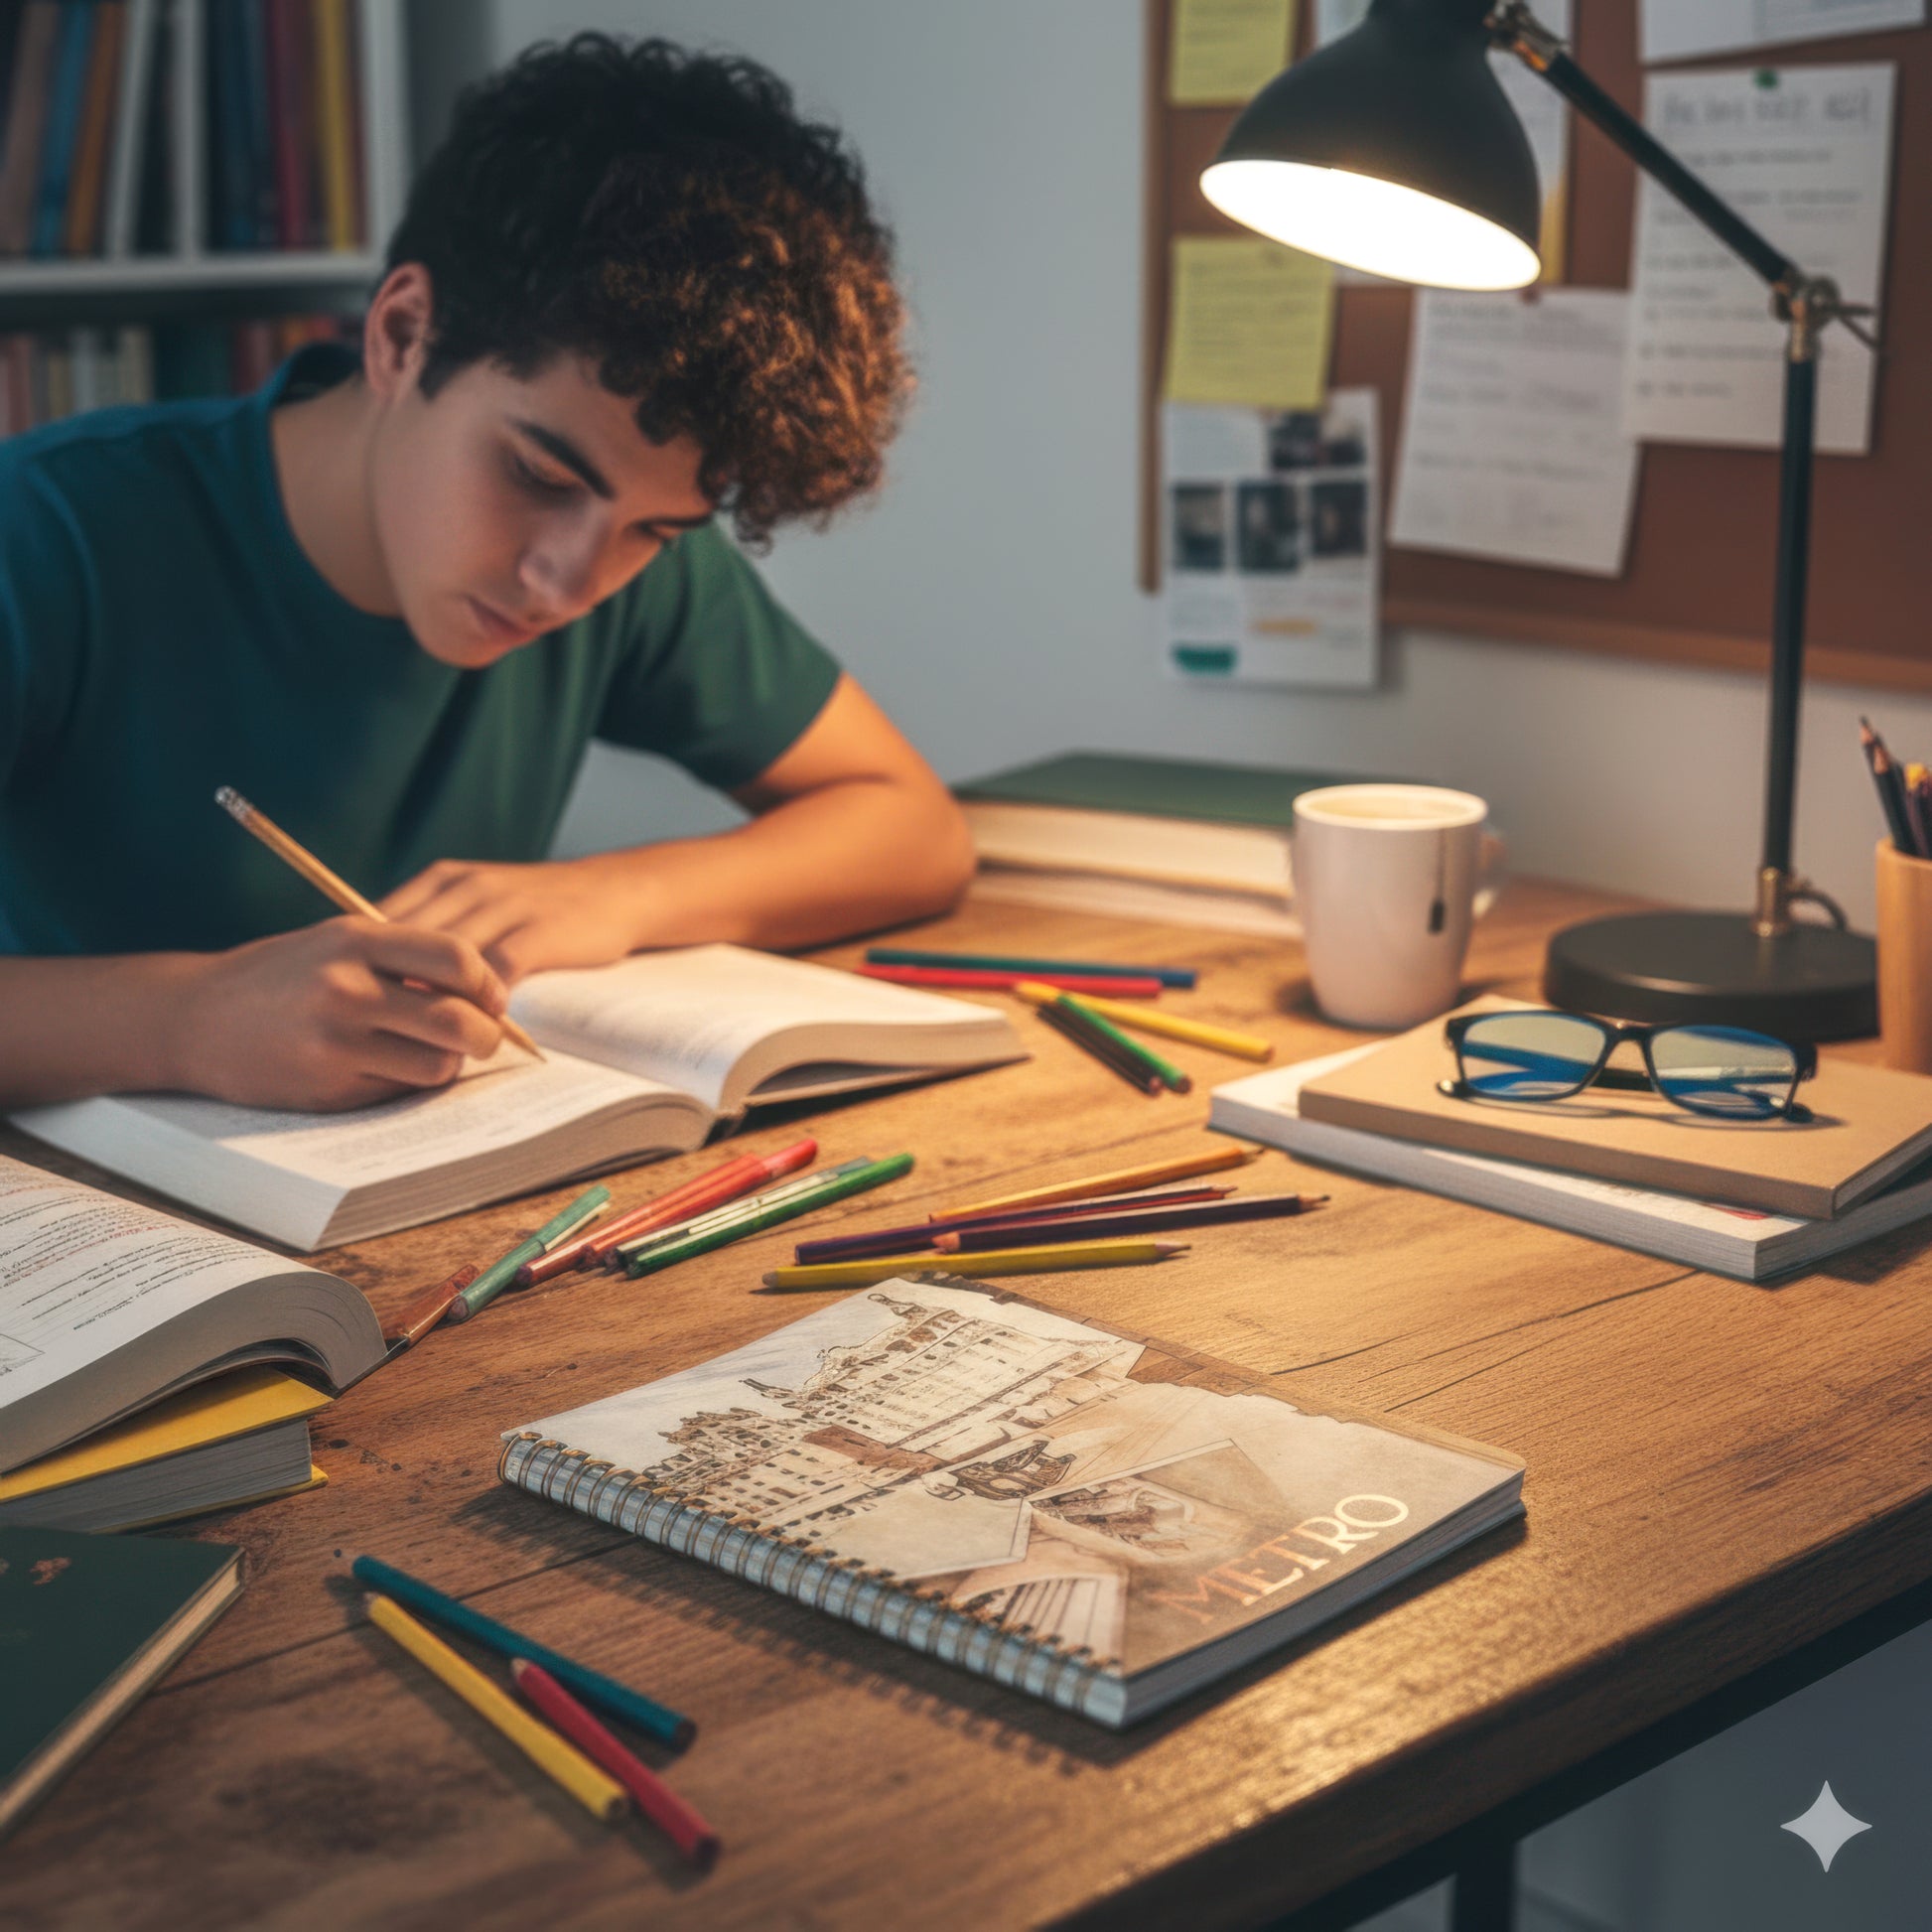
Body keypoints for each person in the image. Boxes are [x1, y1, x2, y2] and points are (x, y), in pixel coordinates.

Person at [0, 35, 973, 1114]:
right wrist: (183, 1018)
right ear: (404, 334)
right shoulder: (50, 533)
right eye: (535, 473)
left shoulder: (631, 564)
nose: (569, 581)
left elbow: (910, 827)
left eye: (655, 529)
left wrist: (618, 891)